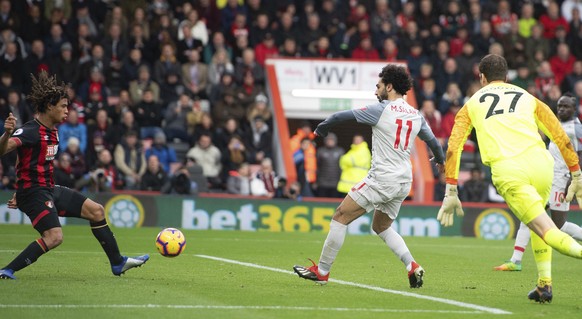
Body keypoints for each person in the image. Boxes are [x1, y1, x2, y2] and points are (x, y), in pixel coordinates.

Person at [437, 54, 582, 303]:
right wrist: (576, 172)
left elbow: (454, 147)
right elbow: (559, 135)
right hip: (542, 164)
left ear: (481, 77)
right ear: (506, 77)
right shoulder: (528, 97)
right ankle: (544, 285)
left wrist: (451, 188)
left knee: (544, 228)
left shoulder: (471, 104)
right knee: (539, 220)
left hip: (510, 170)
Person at [293, 64, 445, 288]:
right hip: (403, 181)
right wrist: (440, 160)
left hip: (382, 178)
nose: (376, 91)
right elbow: (433, 142)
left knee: (340, 217)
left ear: (390, 87)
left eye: (379, 86)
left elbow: (340, 115)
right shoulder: (416, 115)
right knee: (381, 227)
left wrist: (322, 128)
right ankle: (412, 265)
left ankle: (322, 271)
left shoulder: (381, 109)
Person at [0, 71, 148, 280]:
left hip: (48, 188)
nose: (67, 110)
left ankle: (118, 262)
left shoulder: (53, 130)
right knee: (54, 237)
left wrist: (19, 185)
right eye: (63, 106)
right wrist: (6, 134)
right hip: (34, 193)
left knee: (96, 211)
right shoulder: (29, 131)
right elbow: (3, 151)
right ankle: (7, 270)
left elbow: (22, 159)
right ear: (50, 106)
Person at [494, 93, 582, 271]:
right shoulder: (558, 125)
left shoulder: (576, 129)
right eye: (559, 106)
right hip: (549, 177)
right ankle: (516, 260)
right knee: (530, 215)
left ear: (575, 109)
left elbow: (580, 155)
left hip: (562, 179)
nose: (561, 109)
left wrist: (575, 179)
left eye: (566, 106)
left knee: (558, 225)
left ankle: (516, 260)